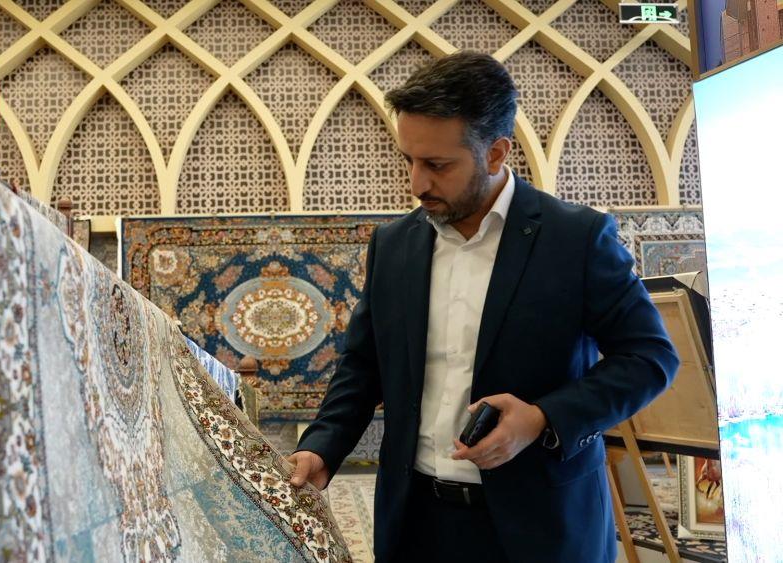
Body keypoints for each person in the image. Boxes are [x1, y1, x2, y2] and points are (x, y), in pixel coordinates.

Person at [287, 51, 679, 562]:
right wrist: (322, 446)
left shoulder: (576, 239)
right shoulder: (395, 245)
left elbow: (650, 358)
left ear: (495, 154)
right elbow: (363, 365)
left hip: (541, 529)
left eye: (437, 165)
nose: (417, 184)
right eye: (409, 160)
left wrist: (541, 418)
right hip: (415, 526)